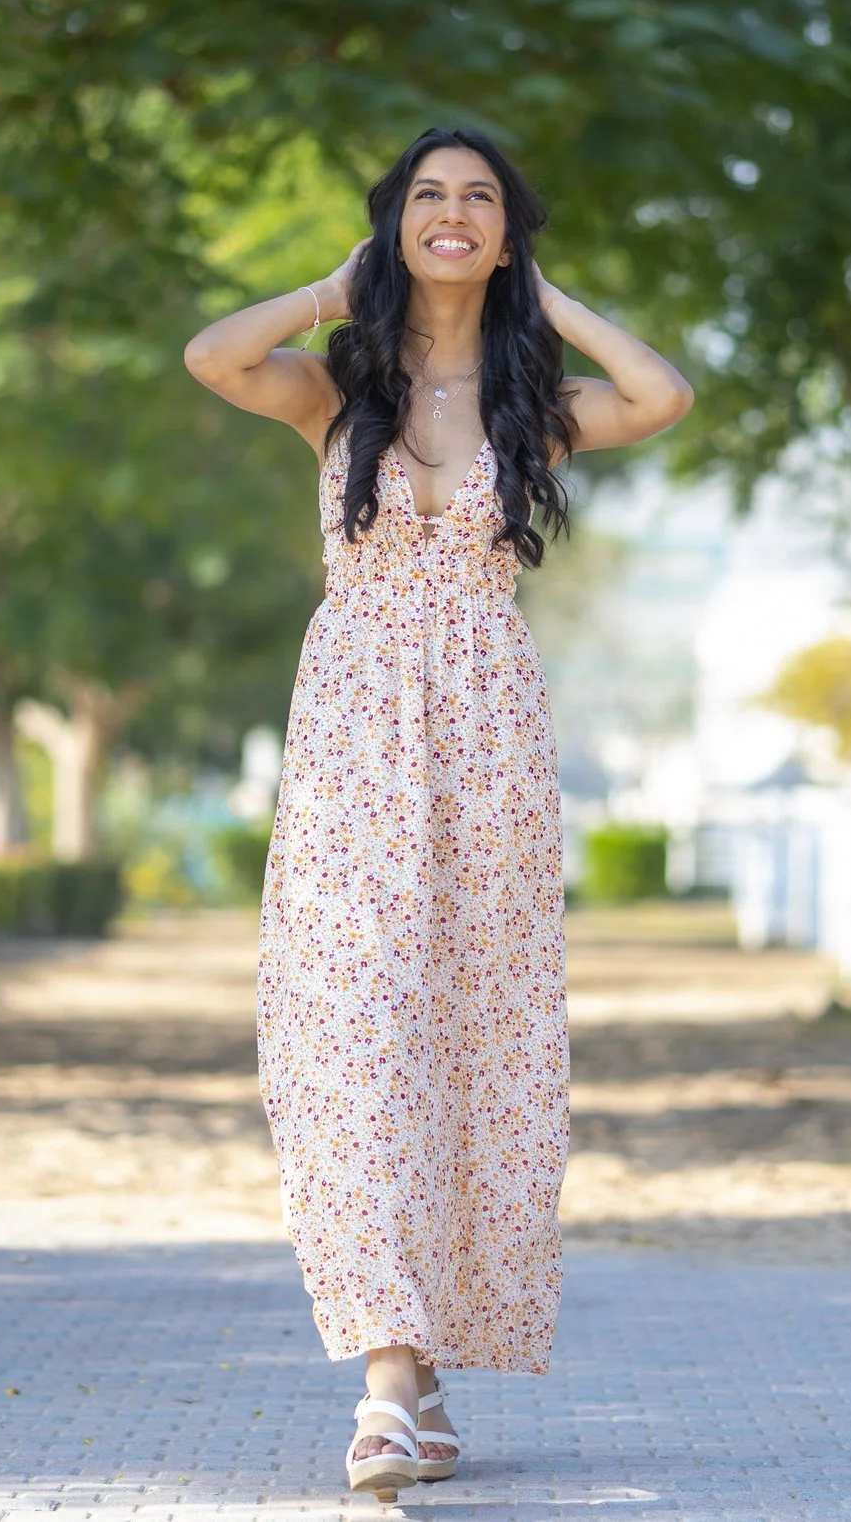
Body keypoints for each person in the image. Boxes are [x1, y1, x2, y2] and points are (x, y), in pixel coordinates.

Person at [183, 127, 692, 1502]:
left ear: (506, 232)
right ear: (391, 226)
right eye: (426, 197)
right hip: (354, 745)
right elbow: (210, 356)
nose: (451, 214)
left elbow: (662, 391)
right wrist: (325, 290)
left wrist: (548, 295)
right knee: (353, 1035)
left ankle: (424, 1364)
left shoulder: (537, 400)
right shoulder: (338, 387)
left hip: (487, 749)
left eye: (479, 200)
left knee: (468, 1041)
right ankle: (387, 1374)